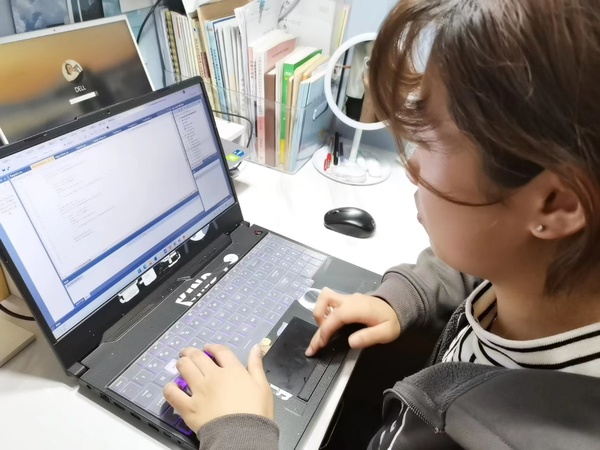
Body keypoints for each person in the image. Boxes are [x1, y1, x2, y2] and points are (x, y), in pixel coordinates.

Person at [163, 0, 600, 448]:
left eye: (432, 137)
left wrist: (239, 433)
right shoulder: (550, 280)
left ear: (556, 204)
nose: (411, 167)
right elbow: (491, 266)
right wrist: (404, 297)